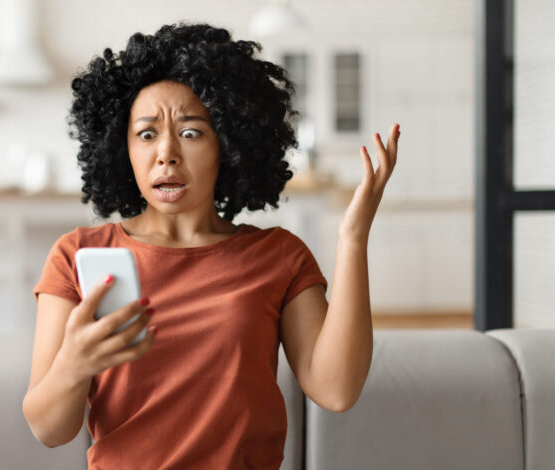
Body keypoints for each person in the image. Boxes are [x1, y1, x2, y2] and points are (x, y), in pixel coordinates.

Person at [22, 22, 399, 469]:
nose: (166, 153)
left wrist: (353, 238)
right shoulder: (76, 255)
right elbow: (49, 430)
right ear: (122, 148)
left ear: (228, 144)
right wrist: (74, 364)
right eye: (146, 134)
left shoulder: (279, 256)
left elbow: (336, 390)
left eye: (190, 132)